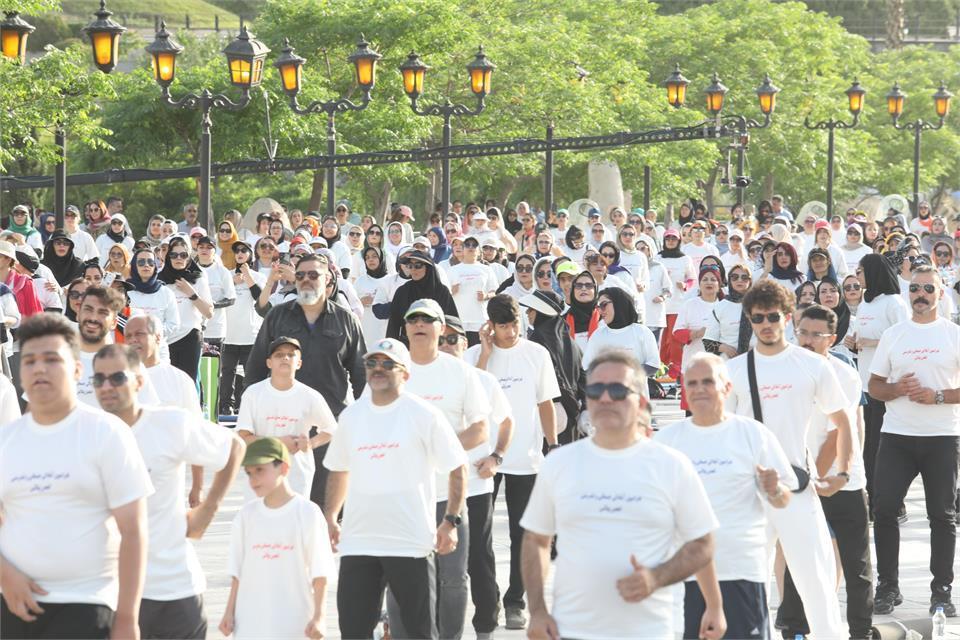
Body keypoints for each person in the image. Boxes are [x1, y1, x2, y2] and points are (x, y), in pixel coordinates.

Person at [522, 349, 720, 639]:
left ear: (640, 402)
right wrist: (537, 611)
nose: (604, 398)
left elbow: (703, 542)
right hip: (573, 629)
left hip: (650, 630)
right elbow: (536, 540)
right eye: (595, 389)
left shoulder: (671, 465)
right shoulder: (558, 463)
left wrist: (656, 577)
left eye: (617, 390)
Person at [0, 313, 152, 639]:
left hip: (86, 601)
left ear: (78, 369)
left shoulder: (106, 433)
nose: (39, 368)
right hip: (13, 602)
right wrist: (5, 575)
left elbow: (134, 530)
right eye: (29, 361)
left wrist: (127, 618)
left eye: (52, 359)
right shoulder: (6, 440)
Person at [724, 280, 851, 638]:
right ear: (750, 319)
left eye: (773, 316)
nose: (766, 323)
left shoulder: (812, 365)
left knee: (818, 584)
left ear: (787, 317)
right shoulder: (733, 371)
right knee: (750, 582)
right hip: (748, 494)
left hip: (798, 487)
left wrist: (841, 474)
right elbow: (726, 435)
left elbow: (844, 421)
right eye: (758, 317)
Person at [92, 343, 245, 638]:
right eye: (99, 379)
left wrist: (207, 510)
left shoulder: (170, 423)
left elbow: (234, 447)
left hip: (174, 589)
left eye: (117, 378)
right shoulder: (88, 435)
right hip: (110, 595)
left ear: (139, 381)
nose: (107, 386)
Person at [324, 338, 468, 639]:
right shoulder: (350, 417)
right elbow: (339, 469)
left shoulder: (425, 415)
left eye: (388, 364)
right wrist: (331, 517)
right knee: (353, 632)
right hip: (358, 543)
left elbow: (457, 466)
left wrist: (451, 521)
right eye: (372, 363)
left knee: (419, 633)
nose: (379, 369)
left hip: (410, 543)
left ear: (406, 374)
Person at [656, 352, 793, 639]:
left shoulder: (753, 434)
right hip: (684, 574)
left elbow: (783, 500)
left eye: (708, 381)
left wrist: (774, 489)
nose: (699, 389)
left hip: (741, 571)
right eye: (691, 383)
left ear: (727, 388)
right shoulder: (666, 441)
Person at [384, 299, 488, 639]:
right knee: (401, 577)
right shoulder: (391, 370)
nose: (419, 324)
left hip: (450, 494)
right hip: (403, 495)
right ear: (405, 328)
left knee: (453, 579)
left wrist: (438, 449)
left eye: (427, 320)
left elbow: (480, 429)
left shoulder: (461, 372)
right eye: (413, 319)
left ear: (442, 328)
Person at [868, 265, 960, 617]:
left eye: (928, 289)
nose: (920, 294)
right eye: (915, 288)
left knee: (942, 515)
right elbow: (875, 386)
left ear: (940, 294)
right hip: (897, 436)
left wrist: (937, 396)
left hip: (942, 437)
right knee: (884, 509)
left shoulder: (953, 335)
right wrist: (896, 390)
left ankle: (942, 591)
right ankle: (888, 587)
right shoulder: (894, 335)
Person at [464, 294, 560, 629]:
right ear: (490, 325)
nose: (510, 331)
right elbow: (469, 396)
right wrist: (486, 355)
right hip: (482, 459)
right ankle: (487, 597)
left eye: (514, 323)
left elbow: (545, 402)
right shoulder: (474, 355)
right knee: (479, 534)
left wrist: (554, 444)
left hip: (525, 458)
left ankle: (515, 600)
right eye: (502, 326)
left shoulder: (537, 353)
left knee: (523, 531)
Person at [245, 253, 366, 510]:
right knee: (281, 504)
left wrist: (363, 419)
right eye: (300, 275)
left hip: (329, 426)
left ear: (329, 280)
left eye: (313, 275)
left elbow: (361, 375)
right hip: (282, 427)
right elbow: (255, 367)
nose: (306, 281)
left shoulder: (346, 320)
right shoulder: (277, 316)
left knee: (327, 507)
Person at [788, 304, 874, 638]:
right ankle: (794, 629)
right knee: (800, 564)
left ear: (832, 339)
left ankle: (860, 632)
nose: (807, 340)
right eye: (802, 332)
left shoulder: (844, 374)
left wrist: (818, 479)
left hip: (844, 482)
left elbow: (839, 432)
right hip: (803, 482)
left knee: (857, 566)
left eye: (816, 335)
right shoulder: (787, 372)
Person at [438, 314, 513, 639]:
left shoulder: (482, 380)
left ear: (464, 344)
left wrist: (496, 457)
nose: (446, 345)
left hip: (475, 484)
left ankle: (485, 625)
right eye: (442, 338)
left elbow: (507, 422)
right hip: (433, 486)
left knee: (477, 558)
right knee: (436, 559)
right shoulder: (415, 378)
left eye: (453, 339)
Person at [219, 437, 334, 639]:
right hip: (250, 625)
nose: (253, 480)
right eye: (249, 473)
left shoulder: (307, 512)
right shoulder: (246, 515)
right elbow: (237, 572)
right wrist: (229, 612)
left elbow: (320, 572)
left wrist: (319, 617)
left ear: (283, 468)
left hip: (295, 625)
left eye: (260, 470)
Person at [237, 336, 337, 500]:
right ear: (269, 363)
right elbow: (243, 437)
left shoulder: (310, 396)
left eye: (291, 355)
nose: (285, 358)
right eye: (279, 354)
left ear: (299, 363)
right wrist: (280, 443)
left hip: (297, 475)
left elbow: (331, 429)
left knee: (294, 523)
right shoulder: (253, 394)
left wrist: (311, 444)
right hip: (259, 473)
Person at [852, 254, 909, 514]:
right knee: (867, 447)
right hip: (864, 385)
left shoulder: (894, 303)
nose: (857, 275)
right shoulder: (866, 303)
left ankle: (891, 504)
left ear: (873, 272)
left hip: (886, 386)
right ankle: (875, 499)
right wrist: (855, 340)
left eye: (861, 271)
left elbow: (905, 339)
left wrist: (873, 343)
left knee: (881, 448)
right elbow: (865, 334)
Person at [75, 286, 160, 409]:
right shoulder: (61, 359)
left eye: (102, 313)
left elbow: (149, 415)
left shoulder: (129, 363)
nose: (93, 318)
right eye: (88, 309)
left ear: (114, 322)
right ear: (78, 314)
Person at [582, 287, 659, 400]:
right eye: (598, 307)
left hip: (637, 403)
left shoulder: (642, 332)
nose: (600, 311)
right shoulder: (598, 335)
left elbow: (653, 365)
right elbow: (587, 367)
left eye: (604, 305)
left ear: (619, 303)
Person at [219, 240, 266, 415]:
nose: (239, 253)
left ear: (250, 255)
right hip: (229, 333)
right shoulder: (227, 275)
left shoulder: (258, 276)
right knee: (227, 373)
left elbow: (261, 300)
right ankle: (226, 404)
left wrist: (248, 278)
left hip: (250, 334)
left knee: (251, 374)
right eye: (237, 250)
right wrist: (233, 282)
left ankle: (249, 406)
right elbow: (220, 295)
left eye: (244, 250)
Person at [158, 237, 214, 382]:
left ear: (189, 257)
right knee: (166, 384)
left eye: (183, 255)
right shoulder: (160, 280)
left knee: (187, 384)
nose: (178, 258)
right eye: (174, 255)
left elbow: (209, 312)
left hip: (190, 336)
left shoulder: (198, 278)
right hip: (166, 339)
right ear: (168, 257)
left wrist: (191, 293)